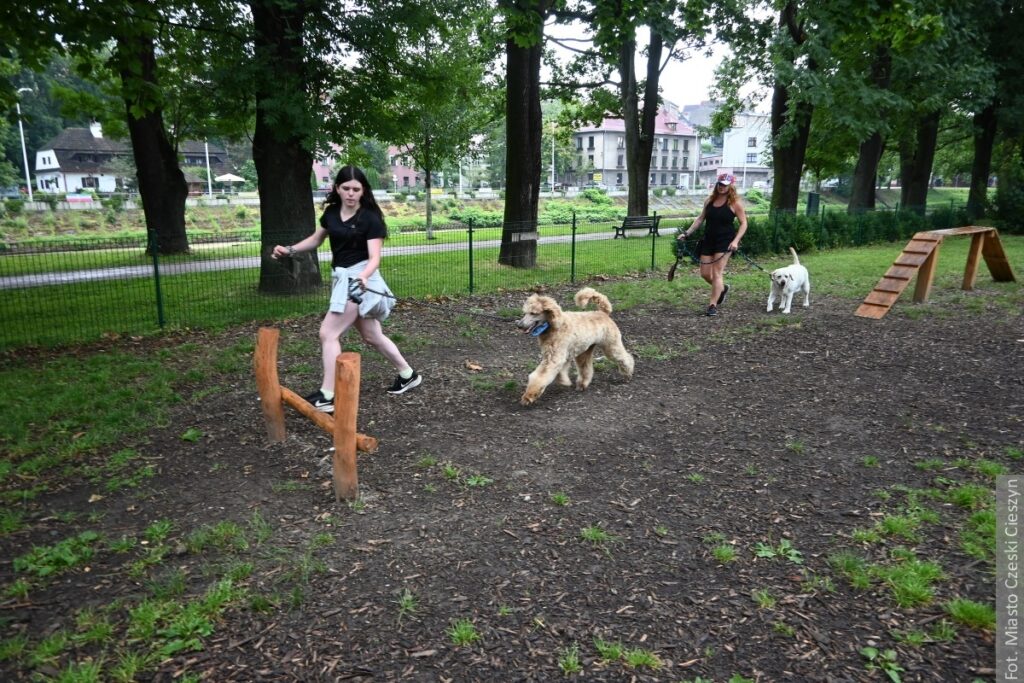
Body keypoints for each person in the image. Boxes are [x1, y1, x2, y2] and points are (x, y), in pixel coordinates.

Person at [272, 165, 421, 412]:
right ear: (337, 189)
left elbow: (374, 258)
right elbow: (316, 239)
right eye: (346, 188)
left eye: (356, 189)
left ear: (363, 191)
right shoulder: (330, 214)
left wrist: (362, 277)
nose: (351, 193)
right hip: (343, 278)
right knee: (372, 335)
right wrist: (290, 250)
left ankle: (328, 396)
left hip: (362, 280)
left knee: (328, 333)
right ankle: (408, 374)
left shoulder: (370, 218)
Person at [677, 172, 748, 316]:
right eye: (720, 184)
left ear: (731, 187)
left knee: (717, 273)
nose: (722, 187)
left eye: (725, 185)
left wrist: (735, 241)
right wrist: (687, 233)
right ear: (717, 184)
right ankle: (722, 288)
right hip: (708, 239)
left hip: (725, 241)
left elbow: (744, 223)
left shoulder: (735, 203)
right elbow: (700, 219)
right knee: (704, 273)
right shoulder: (709, 200)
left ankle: (712, 305)